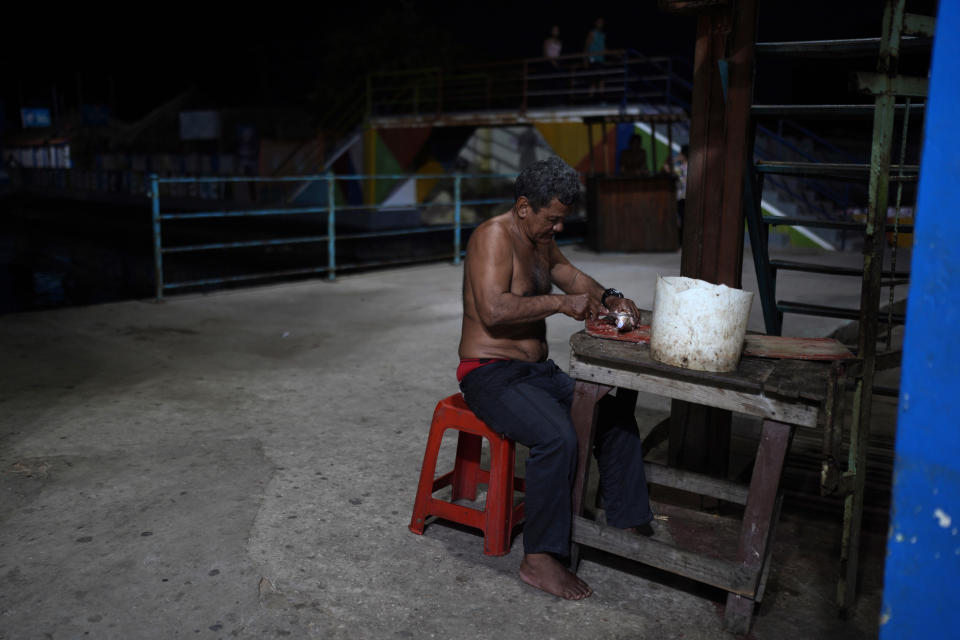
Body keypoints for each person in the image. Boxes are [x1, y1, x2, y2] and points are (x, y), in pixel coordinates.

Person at [456, 156, 653, 600]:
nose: (557, 229)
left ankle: (625, 522)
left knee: (614, 415)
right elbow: (494, 309)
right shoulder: (493, 237)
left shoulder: (539, 238)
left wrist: (610, 297)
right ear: (524, 206)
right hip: (490, 374)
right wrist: (561, 305)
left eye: (562, 221)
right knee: (557, 437)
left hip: (535, 371)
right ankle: (539, 558)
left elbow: (568, 274)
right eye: (553, 219)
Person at [663, 144, 689, 239]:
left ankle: (681, 240)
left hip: (682, 197)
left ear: (683, 155)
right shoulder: (692, 166)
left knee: (682, 219)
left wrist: (675, 160)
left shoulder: (681, 168)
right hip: (688, 196)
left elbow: (666, 168)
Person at [584, 18, 607, 100]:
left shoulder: (603, 35)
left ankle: (601, 99)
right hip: (593, 59)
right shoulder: (592, 32)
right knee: (592, 80)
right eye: (599, 22)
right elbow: (586, 46)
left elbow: (603, 48)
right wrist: (585, 59)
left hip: (601, 60)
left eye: (602, 22)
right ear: (595, 23)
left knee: (601, 79)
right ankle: (590, 99)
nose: (600, 24)